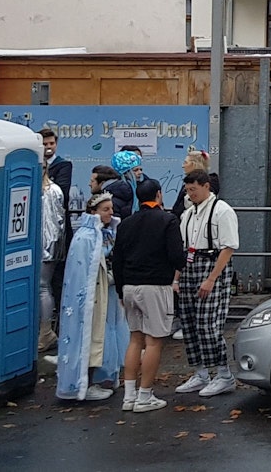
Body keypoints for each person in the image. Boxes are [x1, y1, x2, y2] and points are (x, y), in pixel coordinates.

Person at [110, 179, 184, 413]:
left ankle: (129, 395)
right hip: (155, 286)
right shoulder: (167, 220)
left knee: (135, 339)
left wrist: (120, 289)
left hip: (129, 285)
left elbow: (117, 259)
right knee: (154, 341)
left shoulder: (126, 223)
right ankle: (145, 395)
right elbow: (176, 256)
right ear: (159, 195)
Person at [55, 193, 129, 402]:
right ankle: (86, 383)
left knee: (107, 332)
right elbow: (81, 273)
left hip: (108, 292)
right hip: (94, 295)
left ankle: (104, 377)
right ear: (93, 212)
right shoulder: (85, 237)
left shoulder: (108, 233)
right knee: (90, 334)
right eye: (106, 209)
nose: (110, 213)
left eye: (111, 209)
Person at [173, 171, 238, 398]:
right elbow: (182, 249)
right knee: (189, 323)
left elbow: (228, 247)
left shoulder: (222, 211)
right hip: (190, 266)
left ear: (206, 186)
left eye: (194, 190)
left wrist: (212, 279)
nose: (191, 194)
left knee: (208, 324)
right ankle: (200, 373)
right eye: (188, 190)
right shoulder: (188, 214)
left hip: (212, 265)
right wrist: (176, 278)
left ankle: (224, 374)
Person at [40, 127, 75, 323]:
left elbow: (63, 192)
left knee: (55, 279)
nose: (48, 148)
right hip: (40, 234)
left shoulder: (64, 165)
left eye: (51, 143)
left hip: (57, 232)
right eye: (45, 144)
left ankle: (58, 321)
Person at [38, 163, 67, 351]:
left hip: (45, 245)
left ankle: (45, 331)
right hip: (48, 244)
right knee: (42, 287)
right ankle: (44, 331)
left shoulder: (51, 190)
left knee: (42, 287)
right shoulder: (54, 190)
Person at [103, 151, 161, 219]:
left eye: (141, 169)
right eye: (135, 170)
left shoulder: (144, 189)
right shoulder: (116, 193)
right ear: (125, 173)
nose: (140, 172)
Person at [170, 150, 222, 215]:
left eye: (185, 162)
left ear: (194, 164)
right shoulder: (186, 184)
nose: (183, 166)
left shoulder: (210, 183)